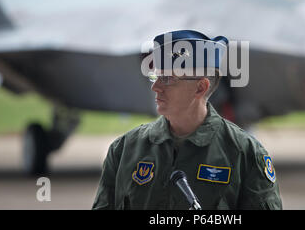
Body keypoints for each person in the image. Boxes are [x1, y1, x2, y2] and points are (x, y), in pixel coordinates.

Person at [92, 30, 282, 210]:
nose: (155, 87)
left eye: (167, 79)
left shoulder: (244, 153)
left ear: (200, 88)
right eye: (155, 77)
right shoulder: (124, 150)